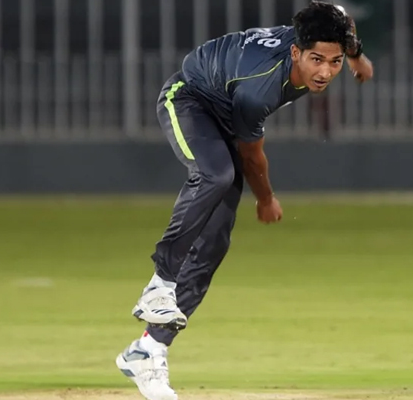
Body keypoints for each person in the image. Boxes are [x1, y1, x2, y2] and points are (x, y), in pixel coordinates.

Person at [115, 2, 374, 399]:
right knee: (216, 174)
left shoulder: (329, 39)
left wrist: (356, 58)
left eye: (335, 61)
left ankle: (148, 349)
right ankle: (160, 283)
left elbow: (341, 16)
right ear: (295, 52)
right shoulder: (261, 87)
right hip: (190, 100)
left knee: (214, 243)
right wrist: (265, 199)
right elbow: (252, 156)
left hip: (227, 112)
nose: (325, 72)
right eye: (316, 60)